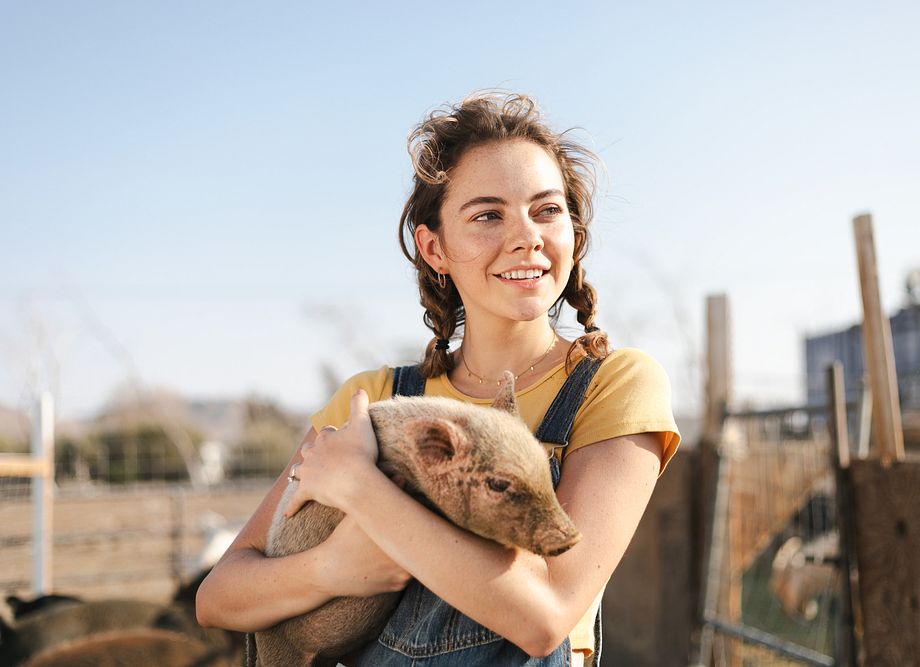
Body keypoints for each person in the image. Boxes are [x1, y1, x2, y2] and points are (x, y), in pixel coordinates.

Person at [196, 92, 681, 666]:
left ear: (573, 230)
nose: (526, 235)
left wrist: (360, 489)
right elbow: (219, 598)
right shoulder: (372, 398)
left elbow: (544, 616)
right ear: (435, 248)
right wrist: (330, 569)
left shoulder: (612, 384)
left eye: (547, 210)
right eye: (487, 215)